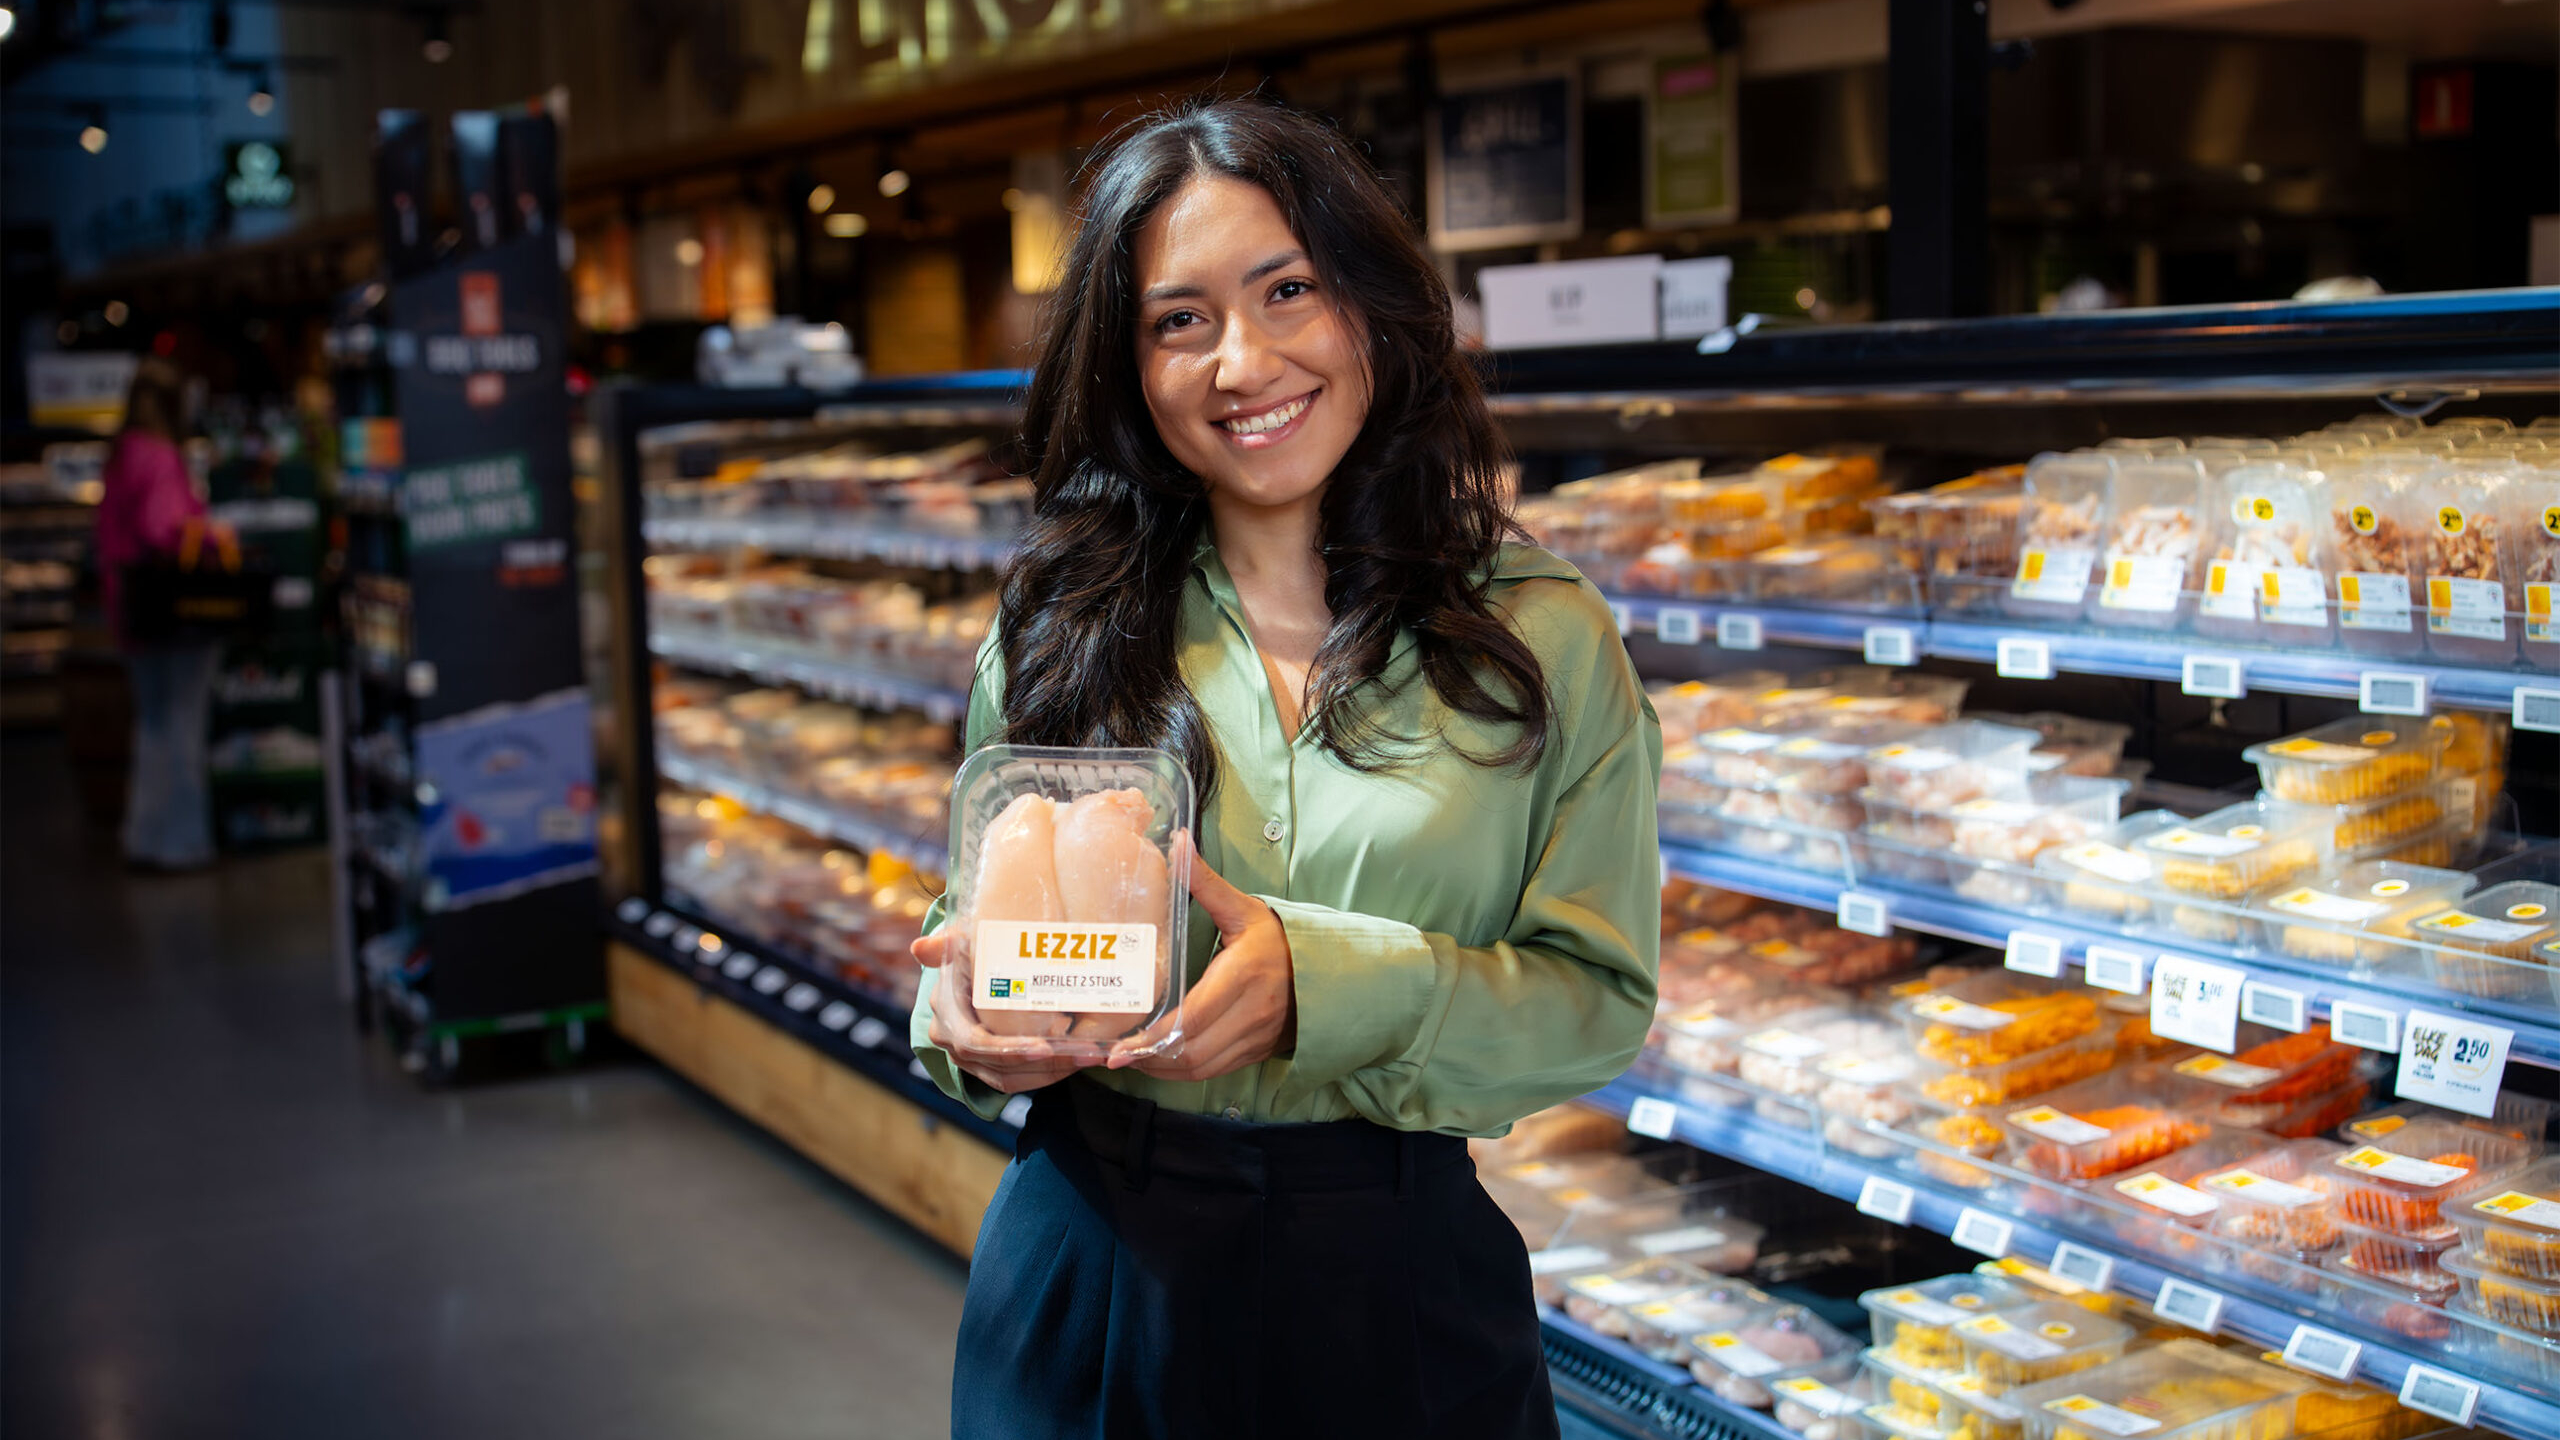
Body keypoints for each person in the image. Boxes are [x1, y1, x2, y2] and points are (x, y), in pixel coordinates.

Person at [907, 100, 1661, 1440]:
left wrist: (1330, 986)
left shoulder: (1539, 634)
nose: (1242, 361)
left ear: (1372, 306)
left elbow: (1596, 1004)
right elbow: (967, 924)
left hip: (1399, 1282)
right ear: (1129, 364)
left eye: (1289, 290)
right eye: (1178, 319)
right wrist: (961, 1021)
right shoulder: (1058, 623)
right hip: (1094, 1265)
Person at [95, 356, 221, 872]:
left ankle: (143, 836)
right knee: (182, 725)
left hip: (130, 610)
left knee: (151, 725)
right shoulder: (161, 456)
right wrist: (215, 535)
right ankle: (183, 844)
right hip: (175, 612)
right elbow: (164, 529)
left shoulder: (120, 454)